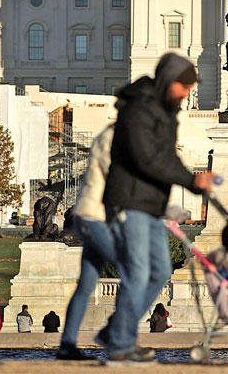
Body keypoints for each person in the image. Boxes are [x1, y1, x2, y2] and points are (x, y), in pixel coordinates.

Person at [101, 53, 213, 364]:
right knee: (139, 273)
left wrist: (193, 181)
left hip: (150, 207)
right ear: (168, 82)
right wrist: (191, 181)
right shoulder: (139, 109)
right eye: (184, 86)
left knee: (161, 270)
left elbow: (168, 157)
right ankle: (120, 344)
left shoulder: (166, 112)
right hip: (128, 201)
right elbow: (146, 159)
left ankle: (116, 332)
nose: (188, 93)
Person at [57, 125, 118, 361]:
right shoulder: (115, 137)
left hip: (92, 215)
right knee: (134, 269)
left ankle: (67, 345)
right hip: (96, 217)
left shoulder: (118, 135)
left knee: (86, 284)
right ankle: (115, 334)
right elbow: (117, 181)